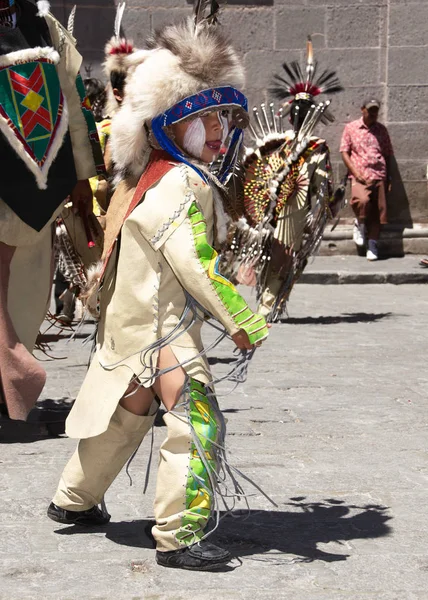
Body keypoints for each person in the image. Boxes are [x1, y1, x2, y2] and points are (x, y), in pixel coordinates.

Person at [48, 4, 269, 572]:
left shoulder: (156, 176)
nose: (220, 133)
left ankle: (73, 500)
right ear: (170, 122)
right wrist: (243, 322)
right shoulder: (182, 185)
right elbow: (195, 264)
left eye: (224, 119)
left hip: (138, 325)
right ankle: (179, 535)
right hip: (163, 329)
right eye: (208, 119)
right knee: (198, 420)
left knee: (127, 415)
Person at [0, 0, 104, 420]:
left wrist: (82, 177)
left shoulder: (43, 25)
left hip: (34, 189)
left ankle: (9, 391)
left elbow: (73, 102)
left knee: (22, 288)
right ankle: (12, 378)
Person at [223, 37, 344, 322]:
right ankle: (265, 305)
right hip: (288, 209)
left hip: (275, 208)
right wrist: (331, 203)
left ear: (292, 118)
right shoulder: (312, 147)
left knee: (270, 253)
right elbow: (321, 189)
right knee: (281, 257)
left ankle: (263, 303)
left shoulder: (282, 143)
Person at [340, 98, 394, 261]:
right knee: (361, 201)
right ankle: (360, 224)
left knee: (378, 212)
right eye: (370, 110)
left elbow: (388, 153)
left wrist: (389, 177)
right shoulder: (351, 128)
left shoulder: (381, 130)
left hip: (379, 175)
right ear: (362, 109)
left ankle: (372, 245)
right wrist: (355, 173)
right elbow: (344, 151)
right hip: (360, 175)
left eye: (375, 111)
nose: (373, 114)